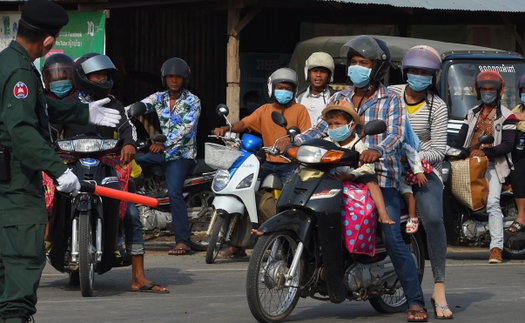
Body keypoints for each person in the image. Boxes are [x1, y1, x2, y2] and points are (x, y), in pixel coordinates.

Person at [0, 1, 121, 321]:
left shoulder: (8, 62)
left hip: (7, 182)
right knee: (21, 270)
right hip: (13, 187)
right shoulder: (20, 71)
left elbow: (38, 109)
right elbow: (23, 132)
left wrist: (84, 111)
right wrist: (59, 171)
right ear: (49, 40)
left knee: (5, 275)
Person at [292, 35, 428, 322]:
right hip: (339, 175)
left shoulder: (391, 99)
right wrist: (291, 142)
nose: (356, 67)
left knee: (391, 237)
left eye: (362, 63)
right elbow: (319, 129)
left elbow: (396, 134)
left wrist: (376, 150)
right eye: (352, 62)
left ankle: (415, 301)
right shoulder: (339, 97)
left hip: (380, 178)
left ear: (378, 68)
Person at [56, 53, 168, 292]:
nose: (103, 78)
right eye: (98, 74)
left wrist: (128, 143)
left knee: (132, 215)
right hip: (71, 166)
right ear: (83, 77)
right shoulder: (67, 103)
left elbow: (128, 128)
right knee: (48, 202)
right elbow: (51, 129)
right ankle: (43, 251)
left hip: (107, 166)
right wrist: (50, 142)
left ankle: (138, 276)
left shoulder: (114, 104)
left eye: (106, 74)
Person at [389, 45, 451, 318]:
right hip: (388, 167)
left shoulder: (437, 106)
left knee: (434, 220)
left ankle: (439, 286)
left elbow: (439, 150)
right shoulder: (390, 94)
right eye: (414, 70)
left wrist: (411, 156)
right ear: (405, 71)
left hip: (424, 171)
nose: (419, 76)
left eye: (426, 72)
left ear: (434, 77)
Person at [131, 57, 201, 256]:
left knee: (175, 193)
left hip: (181, 155)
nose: (174, 80)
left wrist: (163, 143)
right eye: (170, 76)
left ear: (184, 78)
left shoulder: (193, 101)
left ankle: (183, 242)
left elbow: (186, 129)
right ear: (164, 78)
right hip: (161, 153)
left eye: (178, 77)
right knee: (128, 167)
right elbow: (138, 107)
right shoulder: (159, 98)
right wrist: (116, 113)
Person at [453, 70, 516, 264]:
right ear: (478, 91)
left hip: (493, 167)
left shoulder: (508, 116)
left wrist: (485, 152)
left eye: (491, 89)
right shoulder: (471, 113)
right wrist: (455, 150)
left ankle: (496, 248)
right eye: (484, 89)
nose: (488, 92)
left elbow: (507, 145)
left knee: (493, 203)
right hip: (469, 165)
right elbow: (459, 139)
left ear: (499, 91)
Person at [214, 67, 311, 185]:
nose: (284, 91)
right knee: (252, 189)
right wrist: (226, 128)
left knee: (288, 198)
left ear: (294, 91)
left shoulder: (300, 110)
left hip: (290, 163)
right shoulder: (265, 109)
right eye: (280, 88)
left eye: (288, 89)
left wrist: (290, 143)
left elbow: (306, 135)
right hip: (268, 162)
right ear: (272, 88)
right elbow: (245, 123)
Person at [322, 100, 394, 225]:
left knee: (371, 179)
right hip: (331, 178)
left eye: (338, 124)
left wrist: (350, 175)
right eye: (330, 124)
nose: (333, 128)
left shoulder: (358, 145)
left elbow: (367, 167)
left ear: (352, 125)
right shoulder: (326, 142)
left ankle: (382, 213)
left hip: (353, 177)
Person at [296, 52, 336, 125]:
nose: (318, 75)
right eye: (315, 71)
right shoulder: (299, 96)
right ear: (308, 74)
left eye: (322, 72)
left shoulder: (334, 97)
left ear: (329, 76)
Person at [508, 74, 525, 234]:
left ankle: (522, 216)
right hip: (517, 153)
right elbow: (507, 117)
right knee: (515, 174)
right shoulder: (517, 109)